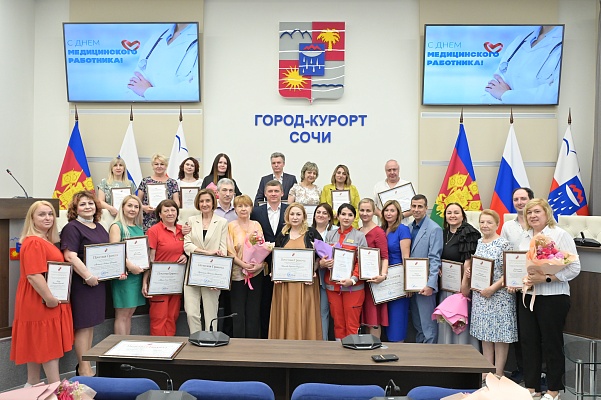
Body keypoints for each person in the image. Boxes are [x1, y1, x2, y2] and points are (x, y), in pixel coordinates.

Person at [518, 199, 580, 400]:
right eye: (529, 213)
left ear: (546, 213)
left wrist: (547, 277)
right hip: (527, 296)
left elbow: (574, 268)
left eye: (537, 211)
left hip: (553, 297)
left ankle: (554, 389)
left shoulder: (560, 235)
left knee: (551, 343)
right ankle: (532, 386)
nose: (533, 216)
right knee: (529, 341)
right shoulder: (524, 236)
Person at [10, 201, 73, 386]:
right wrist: (50, 299)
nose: (48, 218)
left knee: (36, 344)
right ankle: (56, 388)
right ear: (32, 218)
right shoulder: (34, 242)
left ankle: (33, 385)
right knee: (47, 345)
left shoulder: (44, 240)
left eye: (50, 214)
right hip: (39, 299)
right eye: (42, 214)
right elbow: (33, 275)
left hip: (41, 298)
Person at [60, 191, 109, 377]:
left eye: (90, 203)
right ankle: (84, 368)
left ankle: (86, 364)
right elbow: (69, 255)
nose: (88, 207)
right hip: (83, 283)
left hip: (98, 283)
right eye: (82, 204)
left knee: (90, 325)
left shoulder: (99, 226)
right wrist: (87, 276)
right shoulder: (72, 227)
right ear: (75, 208)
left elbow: (108, 252)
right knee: (83, 324)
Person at [466, 209, 516, 381]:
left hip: (499, 296)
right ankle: (487, 371)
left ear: (497, 224)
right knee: (485, 334)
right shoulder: (479, 242)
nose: (485, 225)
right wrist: (471, 272)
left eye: (489, 222)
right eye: (482, 222)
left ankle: (499, 373)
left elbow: (509, 271)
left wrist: (493, 288)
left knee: (500, 336)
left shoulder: (504, 244)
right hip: (481, 296)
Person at [269, 203, 322, 340]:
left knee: (304, 314)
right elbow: (275, 257)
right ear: (287, 216)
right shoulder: (282, 234)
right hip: (284, 285)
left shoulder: (312, 233)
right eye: (292, 214)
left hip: (305, 285)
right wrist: (274, 273)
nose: (295, 217)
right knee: (286, 313)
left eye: (298, 214)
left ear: (304, 216)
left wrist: (313, 270)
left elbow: (320, 257)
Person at [500, 187, 534, 383]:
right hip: (513, 287)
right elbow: (504, 255)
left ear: (531, 199)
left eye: (523, 198)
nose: (519, 202)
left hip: (536, 285)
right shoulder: (507, 226)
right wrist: (509, 279)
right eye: (516, 199)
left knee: (535, 332)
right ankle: (522, 369)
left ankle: (538, 372)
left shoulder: (538, 224)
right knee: (520, 330)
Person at [319, 203, 367, 339]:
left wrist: (353, 279)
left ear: (354, 218)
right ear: (338, 216)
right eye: (343, 214)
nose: (346, 217)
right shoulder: (330, 235)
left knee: (352, 324)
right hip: (333, 287)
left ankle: (352, 351)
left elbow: (362, 262)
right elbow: (325, 256)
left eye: (350, 215)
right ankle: (338, 350)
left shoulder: (359, 236)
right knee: (338, 324)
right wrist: (324, 263)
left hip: (353, 288)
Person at [142, 200, 190, 336]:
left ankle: (170, 346)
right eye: (166, 210)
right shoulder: (153, 231)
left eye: (173, 210)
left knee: (172, 317)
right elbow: (150, 259)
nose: (170, 213)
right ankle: (158, 347)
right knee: (159, 317)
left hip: (176, 282)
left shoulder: (183, 230)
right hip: (159, 282)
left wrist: (185, 255)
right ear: (160, 214)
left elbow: (189, 249)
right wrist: (145, 281)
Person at [183, 189, 228, 334]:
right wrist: (207, 253)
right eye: (201, 201)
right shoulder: (191, 220)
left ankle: (211, 340)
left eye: (208, 201)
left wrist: (219, 280)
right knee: (191, 312)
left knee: (211, 314)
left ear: (213, 202)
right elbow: (187, 246)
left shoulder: (222, 222)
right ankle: (195, 338)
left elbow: (223, 250)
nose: (204, 204)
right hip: (193, 272)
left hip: (212, 273)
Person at [483, 25, 563, 104]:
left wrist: (505, 95)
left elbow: (553, 96)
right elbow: (492, 89)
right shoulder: (519, 41)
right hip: (502, 111)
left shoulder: (563, 44)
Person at [438, 203, 480, 346]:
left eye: (456, 212)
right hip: (446, 285)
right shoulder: (443, 233)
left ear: (463, 215)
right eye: (449, 213)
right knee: (447, 319)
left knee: (459, 320)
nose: (452, 216)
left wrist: (464, 285)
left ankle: (464, 353)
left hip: (461, 286)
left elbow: (469, 260)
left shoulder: (468, 232)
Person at [251, 180, 288, 338]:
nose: (273, 194)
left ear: (282, 193)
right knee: (264, 301)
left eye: (276, 191)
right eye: (270, 191)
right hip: (262, 264)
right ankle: (265, 336)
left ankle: (283, 334)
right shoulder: (256, 212)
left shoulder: (289, 210)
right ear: (265, 194)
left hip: (285, 263)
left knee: (283, 302)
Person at [127, 23, 199, 101]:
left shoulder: (199, 39)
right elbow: (135, 85)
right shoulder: (155, 39)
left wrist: (147, 92)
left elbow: (195, 92)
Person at [227, 195, 265, 338]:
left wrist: (258, 265)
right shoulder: (230, 226)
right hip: (237, 274)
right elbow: (229, 251)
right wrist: (243, 264)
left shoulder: (256, 225)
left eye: (246, 206)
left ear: (251, 208)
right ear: (235, 209)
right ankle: (239, 343)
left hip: (255, 273)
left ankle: (253, 343)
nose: (243, 209)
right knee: (238, 312)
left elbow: (262, 247)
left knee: (253, 311)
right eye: (240, 206)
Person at [108, 195, 146, 335]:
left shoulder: (139, 227)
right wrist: (130, 266)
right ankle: (120, 345)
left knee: (130, 313)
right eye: (129, 205)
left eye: (136, 207)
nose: (133, 209)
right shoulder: (117, 226)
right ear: (122, 207)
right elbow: (115, 251)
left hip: (137, 275)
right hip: (124, 276)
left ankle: (126, 343)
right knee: (122, 314)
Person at [408, 194, 442, 344]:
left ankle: (430, 356)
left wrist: (430, 285)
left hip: (425, 285)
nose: (416, 209)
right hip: (411, 284)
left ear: (426, 208)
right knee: (417, 324)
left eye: (420, 206)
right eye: (414, 206)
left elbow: (435, 259)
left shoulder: (434, 229)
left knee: (428, 326)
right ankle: (419, 354)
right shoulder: (409, 228)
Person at [381, 200, 412, 342]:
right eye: (386, 210)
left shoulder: (402, 229)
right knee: (385, 316)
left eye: (392, 210)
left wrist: (408, 283)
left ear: (398, 213)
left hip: (398, 279)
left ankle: (399, 348)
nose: (389, 213)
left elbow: (406, 257)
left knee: (397, 317)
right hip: (383, 279)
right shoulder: (381, 229)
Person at [358, 198, 389, 338]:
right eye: (362, 210)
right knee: (364, 319)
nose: (365, 213)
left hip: (374, 282)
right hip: (360, 281)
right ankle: (365, 347)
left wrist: (382, 275)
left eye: (368, 210)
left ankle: (374, 347)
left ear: (374, 212)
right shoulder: (357, 231)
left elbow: (385, 256)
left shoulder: (378, 232)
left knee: (374, 319)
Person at [312, 203, 338, 341]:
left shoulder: (336, 231)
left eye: (324, 213)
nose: (320, 215)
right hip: (312, 278)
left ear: (329, 217)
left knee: (328, 312)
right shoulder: (308, 231)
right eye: (318, 212)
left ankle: (328, 342)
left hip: (331, 278)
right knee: (316, 312)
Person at [137, 154, 180, 232]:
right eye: (156, 164)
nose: (159, 166)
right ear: (152, 166)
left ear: (166, 166)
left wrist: (170, 211)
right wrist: (144, 208)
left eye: (162, 164)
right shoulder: (145, 181)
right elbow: (137, 201)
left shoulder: (173, 182)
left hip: (167, 219)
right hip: (148, 219)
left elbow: (176, 202)